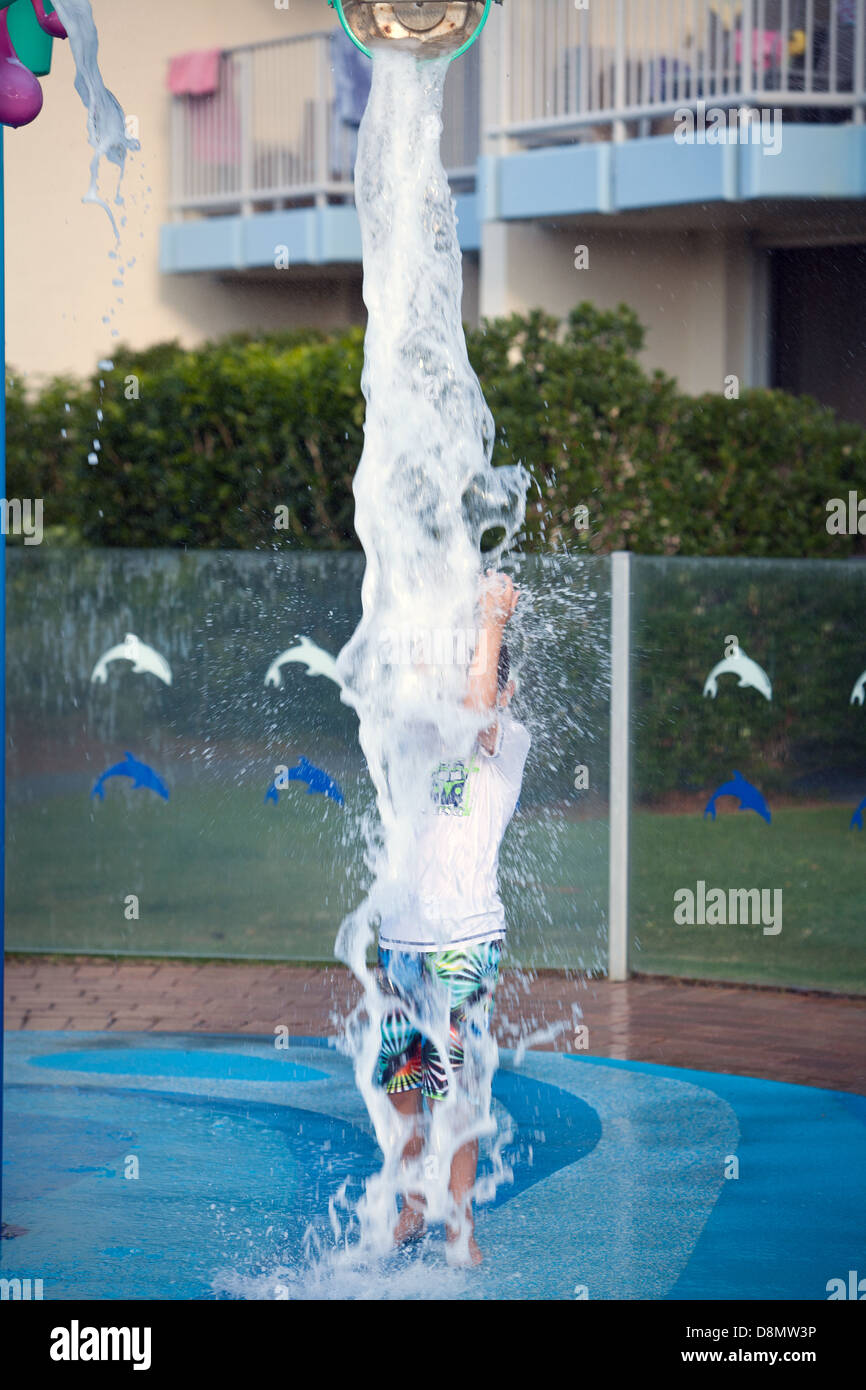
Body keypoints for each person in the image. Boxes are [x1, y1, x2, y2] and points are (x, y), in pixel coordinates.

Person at [372, 570, 530, 1266]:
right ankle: (412, 1203)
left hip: (465, 942)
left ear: (506, 691)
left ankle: (460, 1223)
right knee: (406, 1084)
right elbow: (420, 695)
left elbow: (472, 707)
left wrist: (491, 620)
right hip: (404, 943)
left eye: (480, 671)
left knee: (457, 1085)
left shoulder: (504, 745)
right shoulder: (416, 742)